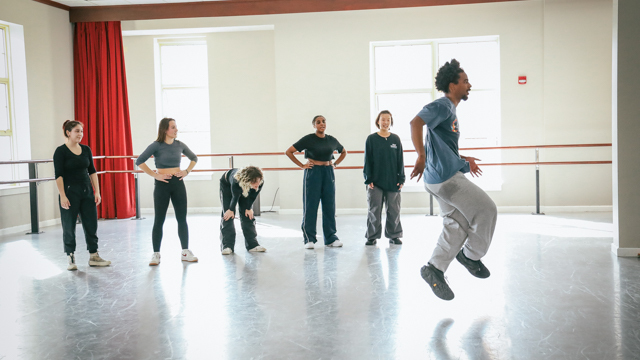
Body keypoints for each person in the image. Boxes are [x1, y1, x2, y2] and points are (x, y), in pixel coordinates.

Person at [409, 59, 497, 301]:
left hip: (438, 178)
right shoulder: (443, 105)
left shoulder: (450, 110)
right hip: (447, 180)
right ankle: (470, 256)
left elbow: (442, 144)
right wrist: (420, 156)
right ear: (452, 84)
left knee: (455, 225)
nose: (469, 84)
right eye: (465, 80)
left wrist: (462, 157)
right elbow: (415, 123)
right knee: (487, 210)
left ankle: (434, 269)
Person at [136, 117, 199, 266]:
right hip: (162, 184)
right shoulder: (156, 145)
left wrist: (186, 171)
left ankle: (185, 251)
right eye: (173, 127)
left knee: (182, 218)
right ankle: (156, 254)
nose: (176, 130)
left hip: (177, 183)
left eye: (176, 127)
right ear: (165, 129)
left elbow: (194, 158)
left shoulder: (180, 145)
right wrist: (156, 175)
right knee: (159, 220)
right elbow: (139, 161)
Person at [54, 120, 111, 270]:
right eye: (77, 131)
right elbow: (58, 175)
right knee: (69, 225)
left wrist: (97, 191)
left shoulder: (86, 149)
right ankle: (70, 256)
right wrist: (63, 195)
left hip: (86, 192)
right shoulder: (61, 151)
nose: (80, 134)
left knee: (91, 224)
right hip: (69, 193)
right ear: (68, 132)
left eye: (81, 131)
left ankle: (94, 255)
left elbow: (92, 171)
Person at [285, 115, 347, 249]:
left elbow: (343, 152)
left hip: (328, 172)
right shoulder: (308, 139)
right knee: (311, 205)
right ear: (314, 125)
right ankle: (309, 238)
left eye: (323, 121)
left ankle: (331, 238)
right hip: (313, 172)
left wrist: (335, 164)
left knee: (329, 205)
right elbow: (289, 151)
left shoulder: (332, 140)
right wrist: (302, 165)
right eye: (318, 122)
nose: (321, 124)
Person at [363, 110, 405, 246]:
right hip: (375, 182)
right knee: (374, 209)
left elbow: (400, 160)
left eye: (388, 120)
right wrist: (368, 179)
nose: (385, 122)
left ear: (390, 122)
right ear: (378, 121)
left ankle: (394, 235)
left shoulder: (395, 139)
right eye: (383, 119)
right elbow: (367, 160)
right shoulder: (371, 139)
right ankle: (372, 236)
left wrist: (401, 179)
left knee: (394, 210)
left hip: (393, 181)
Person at [219, 166, 266, 254]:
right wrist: (231, 210)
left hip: (243, 186)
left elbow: (253, 195)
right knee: (228, 214)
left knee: (248, 214)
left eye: (258, 181)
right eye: (255, 182)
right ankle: (227, 245)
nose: (257, 183)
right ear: (247, 180)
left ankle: (252, 245)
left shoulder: (260, 182)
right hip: (227, 185)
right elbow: (235, 196)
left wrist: (248, 208)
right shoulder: (236, 180)